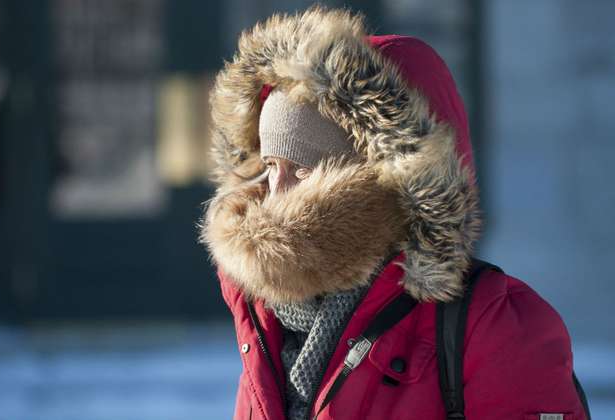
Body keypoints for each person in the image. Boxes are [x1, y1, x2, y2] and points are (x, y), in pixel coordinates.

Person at [200, 6, 588, 420]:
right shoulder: (267, 320)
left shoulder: (496, 326)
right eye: (272, 167)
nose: (277, 193)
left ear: (381, 178)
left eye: (305, 170)